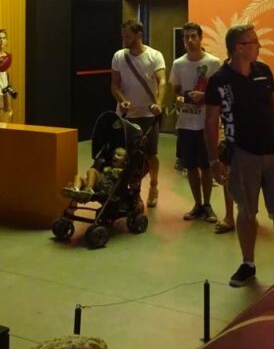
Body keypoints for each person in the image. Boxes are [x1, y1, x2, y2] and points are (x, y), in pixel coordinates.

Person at [205, 23, 274, 287]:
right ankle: (248, 264)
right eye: (254, 42)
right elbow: (210, 121)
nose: (259, 46)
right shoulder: (219, 80)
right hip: (243, 155)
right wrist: (213, 159)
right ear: (239, 48)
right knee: (246, 211)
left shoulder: (263, 71)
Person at [169, 22, 221, 225]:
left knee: (206, 167)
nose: (189, 40)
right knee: (190, 166)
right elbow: (176, 91)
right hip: (185, 123)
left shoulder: (213, 63)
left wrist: (205, 96)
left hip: (206, 123)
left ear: (200, 38)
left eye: (193, 36)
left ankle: (207, 204)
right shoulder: (178, 64)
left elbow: (219, 93)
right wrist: (179, 100)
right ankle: (197, 204)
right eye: (186, 37)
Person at [110, 19, 165, 208]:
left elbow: (162, 81)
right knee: (128, 156)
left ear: (139, 35)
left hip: (148, 115)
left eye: (128, 36)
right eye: (123, 36)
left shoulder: (155, 56)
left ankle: (154, 185)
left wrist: (158, 104)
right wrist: (122, 100)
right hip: (126, 115)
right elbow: (114, 85)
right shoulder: (119, 56)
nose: (124, 40)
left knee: (150, 155)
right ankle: (135, 192)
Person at [61, 146, 127, 201]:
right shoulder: (109, 168)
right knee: (79, 176)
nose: (115, 156)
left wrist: (111, 171)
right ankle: (75, 189)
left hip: (106, 190)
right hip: (98, 186)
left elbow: (117, 179)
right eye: (114, 154)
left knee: (92, 171)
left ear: (124, 161)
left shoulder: (121, 172)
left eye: (119, 155)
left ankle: (88, 190)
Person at [0, 29, 15, 123]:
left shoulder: (7, 55)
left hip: (5, 90)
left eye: (4, 38)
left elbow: (6, 74)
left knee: (6, 120)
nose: (1, 40)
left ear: (6, 40)